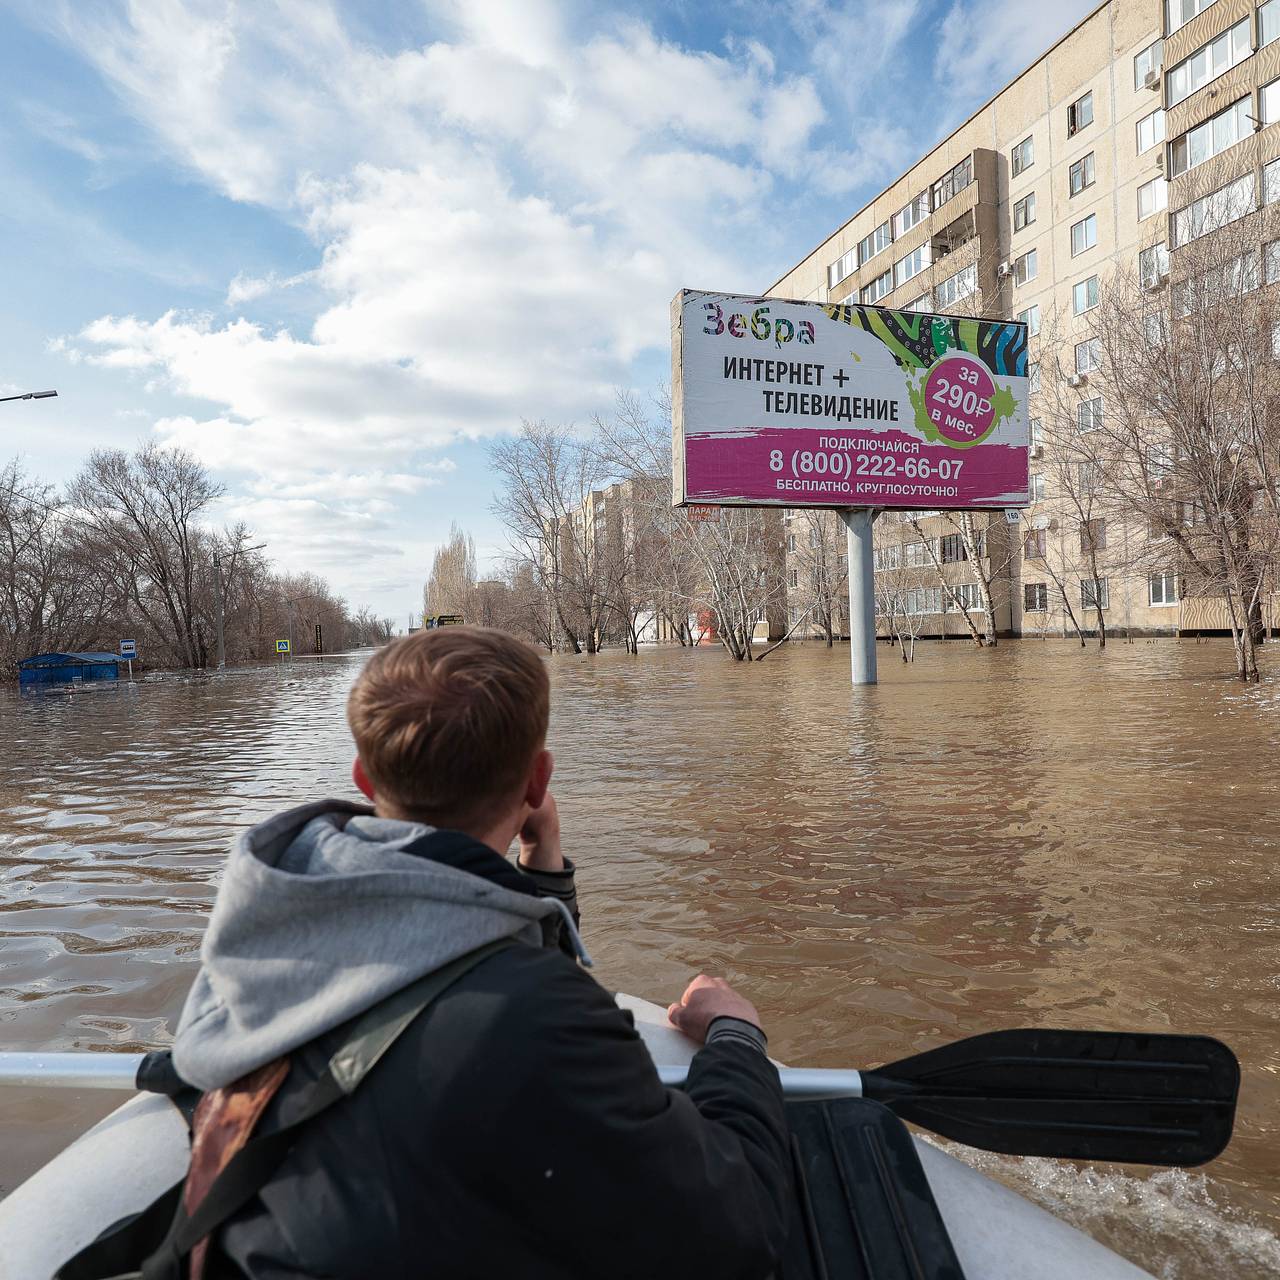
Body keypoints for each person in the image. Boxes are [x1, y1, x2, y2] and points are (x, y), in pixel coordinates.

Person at [170, 625, 792, 1278]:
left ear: (363, 777)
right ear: (538, 778)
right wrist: (736, 1037)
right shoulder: (534, 1016)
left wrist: (541, 864)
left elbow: (470, 959)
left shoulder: (262, 924)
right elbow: (739, 1233)